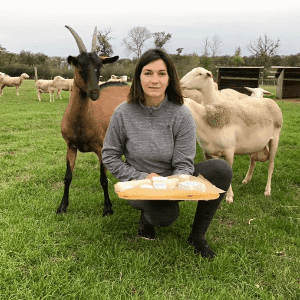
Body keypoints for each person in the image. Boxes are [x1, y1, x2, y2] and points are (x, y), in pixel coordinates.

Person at [102, 49, 232, 258]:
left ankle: (197, 236)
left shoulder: (181, 113)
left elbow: (184, 162)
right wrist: (143, 177)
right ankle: (147, 217)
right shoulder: (122, 113)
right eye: (148, 73)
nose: (155, 80)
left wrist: (175, 182)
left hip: (172, 180)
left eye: (161, 73)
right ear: (138, 77)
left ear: (170, 78)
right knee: (165, 217)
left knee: (220, 169)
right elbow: (109, 156)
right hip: (140, 184)